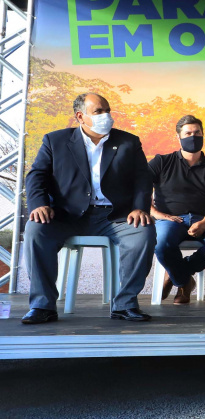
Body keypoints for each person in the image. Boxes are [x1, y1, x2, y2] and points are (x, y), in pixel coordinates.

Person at [22, 93, 155, 324]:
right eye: (98, 111)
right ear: (80, 116)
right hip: (66, 215)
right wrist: (40, 204)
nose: (106, 116)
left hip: (115, 216)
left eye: (107, 110)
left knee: (143, 232)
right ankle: (42, 306)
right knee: (36, 230)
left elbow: (142, 179)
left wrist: (139, 208)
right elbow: (36, 175)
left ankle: (125, 304)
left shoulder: (129, 142)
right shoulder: (55, 140)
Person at [151, 115, 205, 304]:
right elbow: (139, 191)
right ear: (178, 137)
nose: (193, 137)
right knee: (161, 244)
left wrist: (204, 223)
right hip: (170, 220)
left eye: (197, 133)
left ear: (203, 135)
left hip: (203, 219)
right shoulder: (161, 162)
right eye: (188, 133)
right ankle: (185, 281)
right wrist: (159, 214)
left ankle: (176, 273)